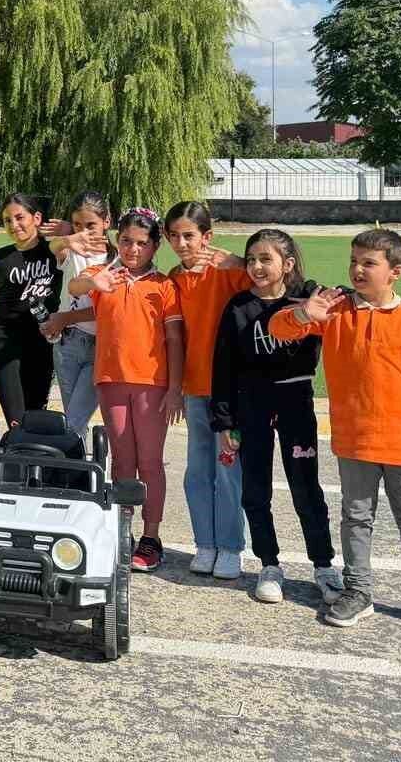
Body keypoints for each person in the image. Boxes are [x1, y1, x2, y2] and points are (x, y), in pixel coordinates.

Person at [269, 228, 401, 638]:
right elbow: (278, 328)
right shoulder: (337, 313)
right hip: (355, 439)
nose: (357, 270)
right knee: (356, 517)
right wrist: (307, 313)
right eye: (354, 261)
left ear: (394, 272)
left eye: (369, 263)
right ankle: (358, 590)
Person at [210, 229, 343, 606]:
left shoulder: (309, 298)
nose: (255, 267)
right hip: (251, 403)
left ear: (287, 264)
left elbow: (340, 298)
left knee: (306, 488)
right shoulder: (237, 307)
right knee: (256, 490)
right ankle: (269, 565)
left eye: (265, 259)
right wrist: (224, 421)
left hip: (296, 401)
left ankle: (323, 565)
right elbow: (223, 367)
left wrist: (313, 295)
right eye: (250, 259)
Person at [69, 207, 183, 572]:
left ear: (155, 247)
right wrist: (93, 283)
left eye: (142, 243)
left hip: (152, 383)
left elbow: (175, 338)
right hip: (111, 380)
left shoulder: (164, 285)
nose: (133, 249)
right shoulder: (106, 276)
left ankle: (151, 536)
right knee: (122, 459)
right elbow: (74, 286)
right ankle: (123, 529)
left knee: (150, 461)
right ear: (118, 241)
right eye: (127, 241)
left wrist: (176, 387)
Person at [165, 201, 252, 581]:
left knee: (228, 471)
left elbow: (280, 282)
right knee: (198, 471)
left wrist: (240, 263)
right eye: (175, 236)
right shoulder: (174, 278)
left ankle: (231, 547)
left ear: (207, 237)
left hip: (231, 392)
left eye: (190, 236)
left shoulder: (230, 273)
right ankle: (206, 543)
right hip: (195, 387)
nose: (182, 243)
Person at [0, 194, 60, 427]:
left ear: (37, 218)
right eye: (7, 220)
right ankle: (13, 455)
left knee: (35, 413)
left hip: (42, 340)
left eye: (20, 217)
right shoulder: (0, 258)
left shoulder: (54, 252)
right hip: (5, 338)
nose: (14, 225)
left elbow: (86, 235)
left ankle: (34, 460)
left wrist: (66, 228)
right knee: (15, 416)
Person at [39, 192, 112, 433]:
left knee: (74, 421)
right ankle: (81, 469)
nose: (84, 232)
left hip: (100, 347)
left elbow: (106, 310)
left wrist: (65, 318)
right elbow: (53, 247)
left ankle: (86, 468)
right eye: (78, 225)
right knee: (74, 418)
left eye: (91, 225)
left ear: (107, 222)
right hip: (67, 345)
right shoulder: (73, 250)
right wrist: (68, 237)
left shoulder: (118, 259)